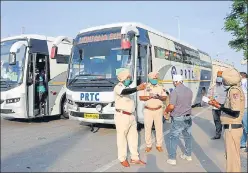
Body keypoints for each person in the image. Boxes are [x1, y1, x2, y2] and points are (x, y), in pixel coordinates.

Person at [208, 68, 245, 172]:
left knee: (232, 161)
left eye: (223, 78)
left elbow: (235, 112)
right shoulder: (234, 89)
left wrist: (219, 107)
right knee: (232, 159)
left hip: (232, 129)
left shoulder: (234, 91)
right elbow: (231, 107)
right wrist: (217, 104)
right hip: (231, 129)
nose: (222, 80)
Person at [114, 68, 146, 167]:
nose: (129, 79)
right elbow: (124, 91)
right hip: (122, 116)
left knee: (133, 138)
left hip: (131, 116)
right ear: (123, 78)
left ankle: (135, 158)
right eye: (128, 77)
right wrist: (137, 88)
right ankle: (122, 158)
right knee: (122, 138)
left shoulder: (128, 87)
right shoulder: (118, 87)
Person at [164, 74, 193, 165]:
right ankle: (188, 155)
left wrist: (166, 111)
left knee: (174, 137)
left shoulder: (175, 91)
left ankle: (172, 158)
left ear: (176, 82)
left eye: (174, 82)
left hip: (178, 118)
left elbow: (171, 106)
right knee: (187, 136)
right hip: (188, 117)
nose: (173, 83)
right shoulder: (189, 91)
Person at [139, 72, 167, 153]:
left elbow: (165, 97)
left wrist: (159, 97)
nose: (155, 80)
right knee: (148, 128)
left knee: (159, 128)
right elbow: (141, 97)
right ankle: (148, 145)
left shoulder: (161, 86)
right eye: (153, 78)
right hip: (148, 110)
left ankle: (159, 145)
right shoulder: (145, 87)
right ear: (150, 79)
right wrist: (149, 96)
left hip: (158, 110)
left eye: (156, 78)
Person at [207, 71, 227, 140]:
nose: (218, 79)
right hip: (214, 107)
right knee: (216, 120)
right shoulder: (213, 87)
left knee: (224, 120)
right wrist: (210, 98)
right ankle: (218, 134)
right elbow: (209, 95)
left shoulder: (226, 87)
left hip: (223, 107)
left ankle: (226, 134)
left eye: (220, 77)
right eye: (218, 77)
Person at [240, 72, 247, 151]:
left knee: (245, 127)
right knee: (243, 127)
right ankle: (243, 144)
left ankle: (243, 144)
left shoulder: (244, 82)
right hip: (242, 108)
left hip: (245, 108)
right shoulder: (240, 84)